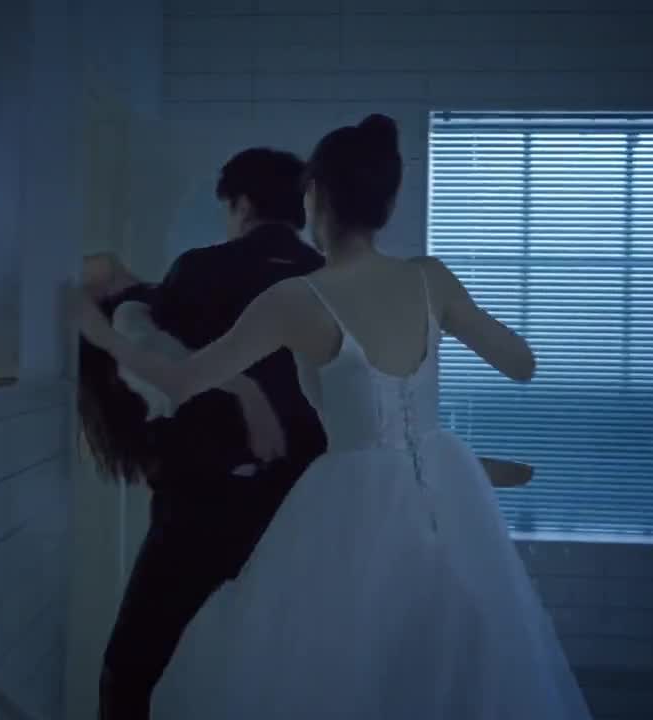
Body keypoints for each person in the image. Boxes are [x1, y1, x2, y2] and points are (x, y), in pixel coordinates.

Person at [77, 114, 592, 718]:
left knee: (323, 673)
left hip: (340, 506)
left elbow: (182, 382)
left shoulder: (296, 300)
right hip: (434, 500)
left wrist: (102, 327)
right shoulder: (430, 279)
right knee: (434, 670)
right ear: (389, 203)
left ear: (315, 195)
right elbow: (521, 365)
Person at [85, 148, 329, 720]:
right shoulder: (329, 280)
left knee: (131, 666)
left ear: (240, 204)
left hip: (202, 504)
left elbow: (161, 366)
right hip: (303, 506)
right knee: (292, 669)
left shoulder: (199, 270)